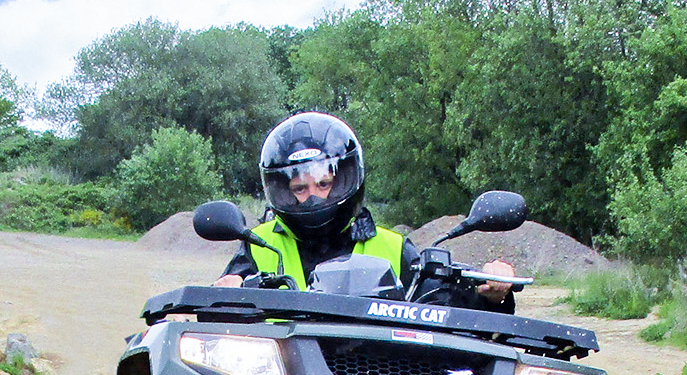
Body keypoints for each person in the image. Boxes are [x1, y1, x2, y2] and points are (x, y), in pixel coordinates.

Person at [214, 112, 516, 310]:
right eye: (300, 189)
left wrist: (490, 290)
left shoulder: (393, 247)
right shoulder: (258, 246)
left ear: (346, 179)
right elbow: (220, 313)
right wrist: (227, 289)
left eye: (324, 184)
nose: (314, 198)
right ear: (281, 190)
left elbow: (443, 302)